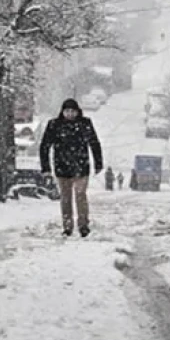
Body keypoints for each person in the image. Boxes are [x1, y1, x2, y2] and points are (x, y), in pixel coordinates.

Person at [39, 98, 104, 237]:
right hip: (62, 167)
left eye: (72, 111)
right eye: (67, 111)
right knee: (65, 197)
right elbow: (44, 146)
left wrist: (98, 163)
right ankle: (67, 226)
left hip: (81, 166)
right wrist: (46, 168)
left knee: (80, 195)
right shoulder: (54, 125)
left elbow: (94, 143)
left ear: (77, 112)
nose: (69, 114)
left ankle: (83, 225)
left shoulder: (84, 124)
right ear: (62, 112)